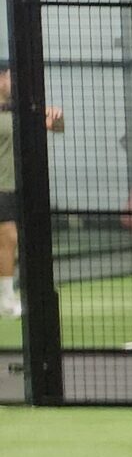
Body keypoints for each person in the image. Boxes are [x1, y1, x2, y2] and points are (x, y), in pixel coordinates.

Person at [0, 68, 68, 319]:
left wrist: (56, 115)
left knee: (9, 239)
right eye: (9, 77)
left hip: (12, 188)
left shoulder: (18, 111)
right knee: (8, 238)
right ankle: (6, 300)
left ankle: (6, 300)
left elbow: (57, 126)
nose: (12, 82)